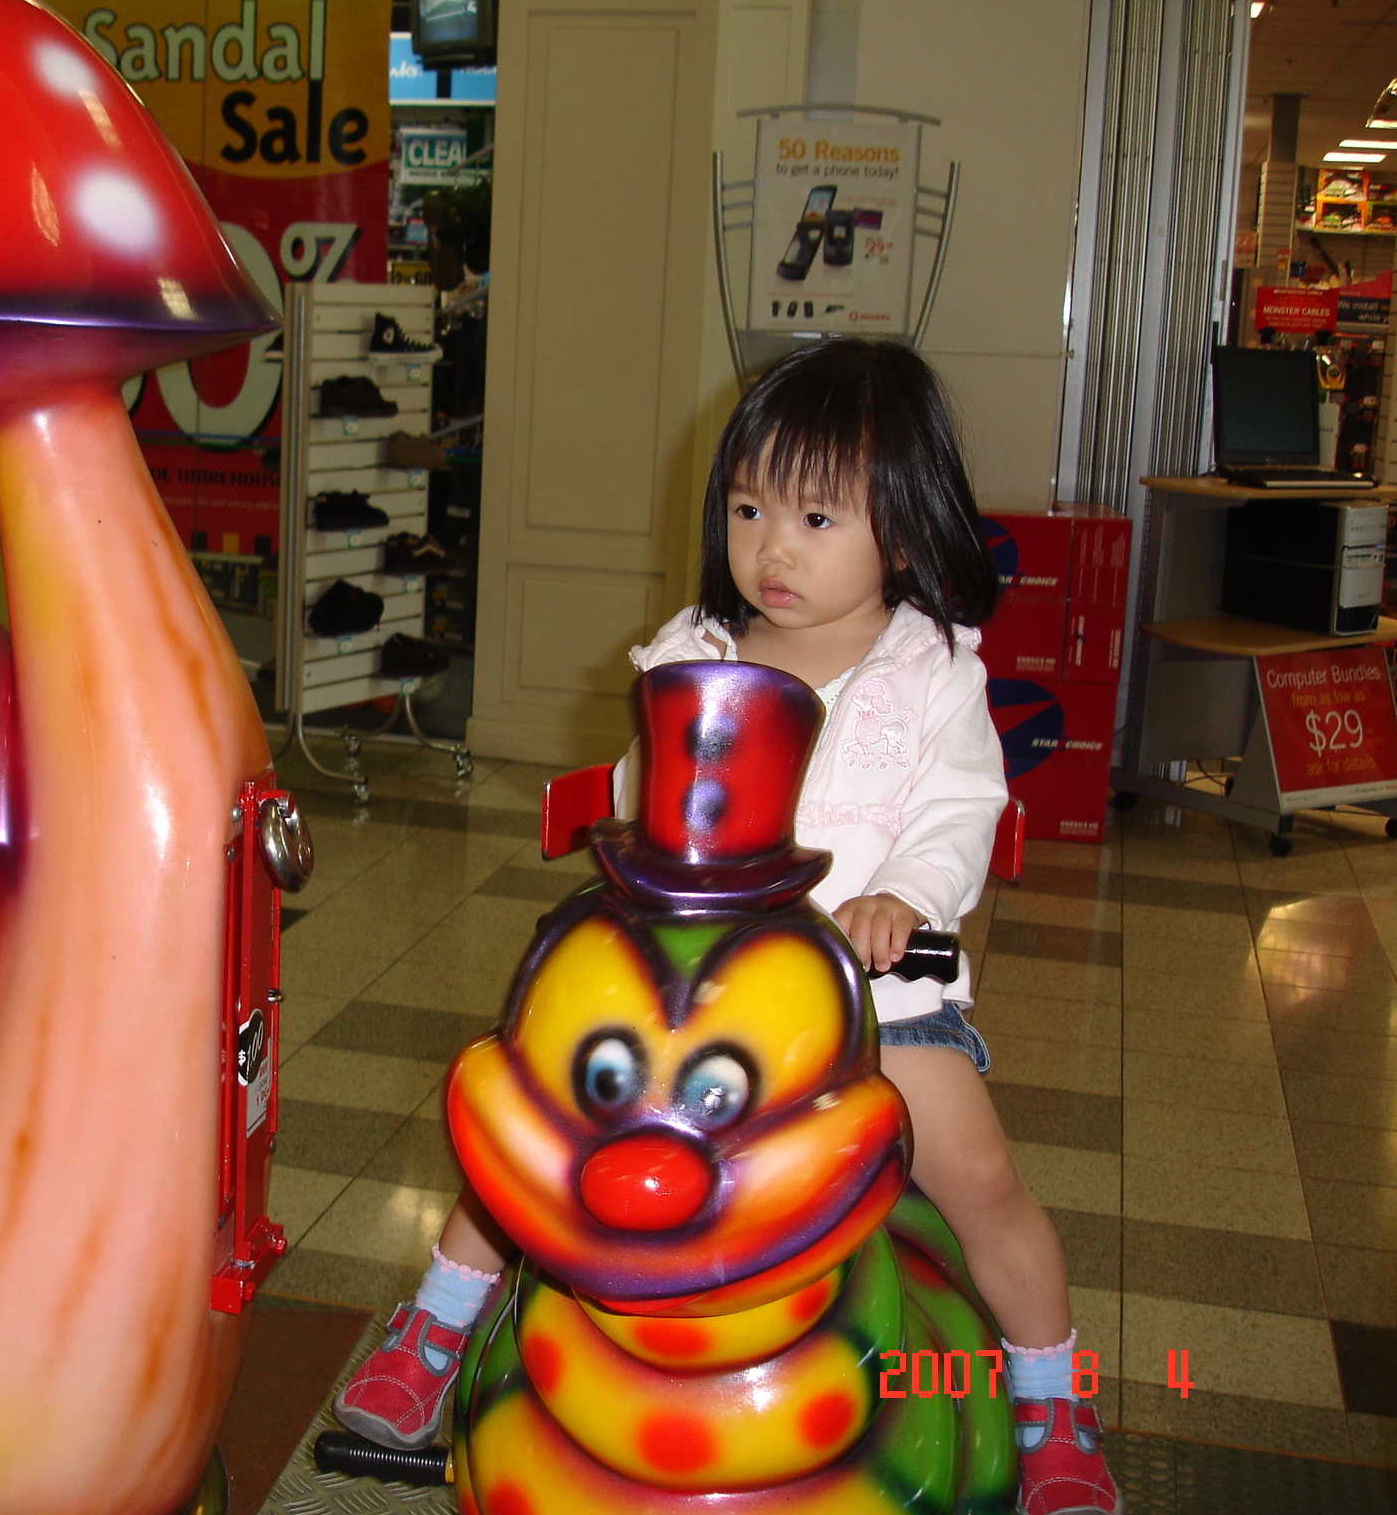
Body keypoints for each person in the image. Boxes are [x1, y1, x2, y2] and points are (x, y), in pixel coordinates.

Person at [335, 338, 1122, 1515]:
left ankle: (1047, 1396)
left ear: (903, 533)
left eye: (815, 519)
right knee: (544, 1138)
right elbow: (632, 789)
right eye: (748, 510)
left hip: (874, 1001)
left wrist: (904, 897)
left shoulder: (931, 674)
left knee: (975, 1173)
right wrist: (642, 801)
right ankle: (436, 1323)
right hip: (692, 999)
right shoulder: (694, 650)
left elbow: (960, 810)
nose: (770, 549)